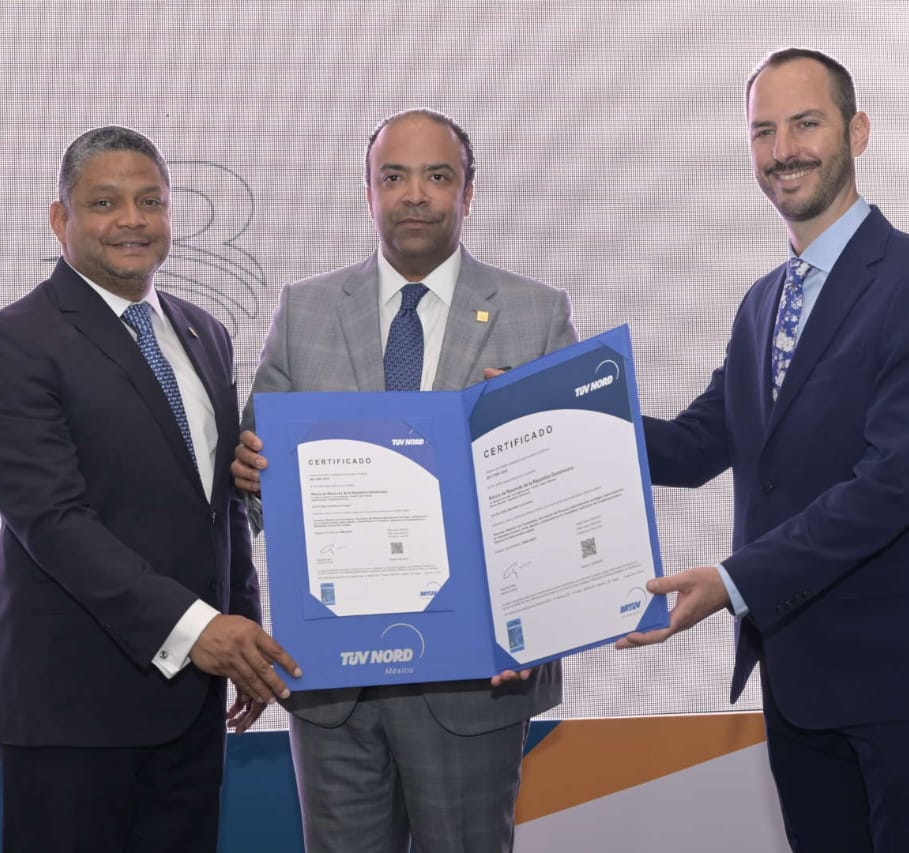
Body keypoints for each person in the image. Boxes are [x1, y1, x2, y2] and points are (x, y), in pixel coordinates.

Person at [620, 49, 909, 851]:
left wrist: (733, 581)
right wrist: (557, 415)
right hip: (799, 679)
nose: (783, 149)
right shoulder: (763, 301)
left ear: (857, 132)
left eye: (805, 124)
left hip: (906, 680)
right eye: (763, 131)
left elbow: (890, 486)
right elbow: (694, 445)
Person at [231, 108, 576, 853]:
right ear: (368, 192)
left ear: (468, 193)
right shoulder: (305, 310)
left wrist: (541, 628)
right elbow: (256, 481)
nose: (414, 194)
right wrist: (251, 475)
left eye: (437, 176)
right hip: (333, 679)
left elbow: (560, 495)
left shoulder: (536, 314)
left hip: (477, 678)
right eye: (394, 176)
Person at [0, 125, 301, 853]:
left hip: (192, 700)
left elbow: (219, 505)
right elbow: (54, 523)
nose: (132, 220)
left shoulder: (204, 332)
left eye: (151, 201)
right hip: (71, 705)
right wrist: (199, 630)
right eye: (105, 202)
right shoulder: (11, 343)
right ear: (61, 218)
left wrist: (241, 628)